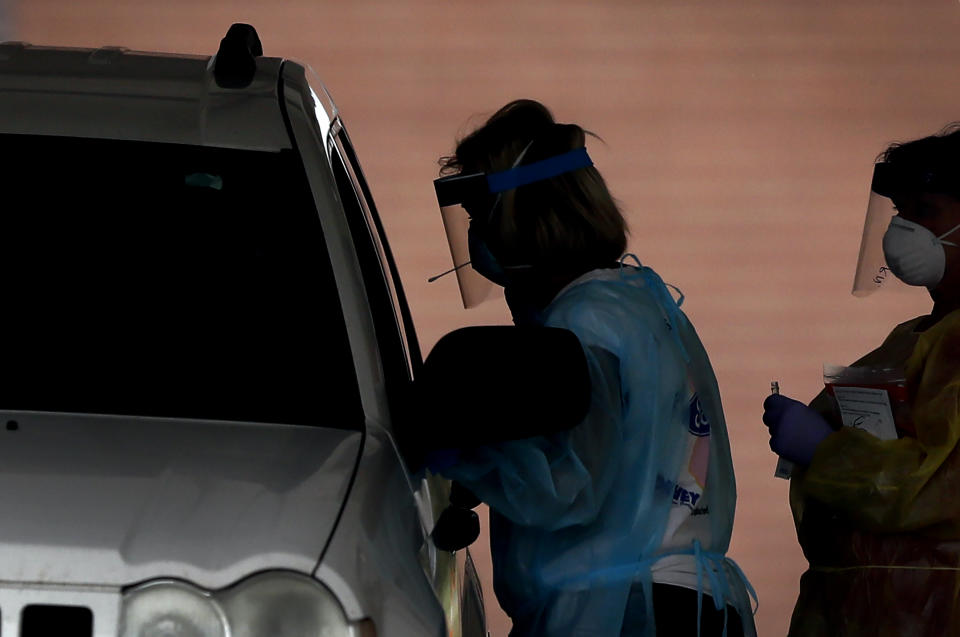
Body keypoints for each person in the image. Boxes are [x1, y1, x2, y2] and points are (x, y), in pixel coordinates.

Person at [430, 99, 756, 637]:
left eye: (479, 215)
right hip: (674, 604)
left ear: (521, 216)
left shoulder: (586, 323)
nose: (475, 238)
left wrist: (464, 456)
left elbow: (567, 489)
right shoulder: (636, 301)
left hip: (619, 611)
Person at [762, 125, 960, 637]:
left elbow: (939, 485)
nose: (903, 230)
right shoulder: (913, 338)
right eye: (899, 212)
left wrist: (825, 450)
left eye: (927, 209)